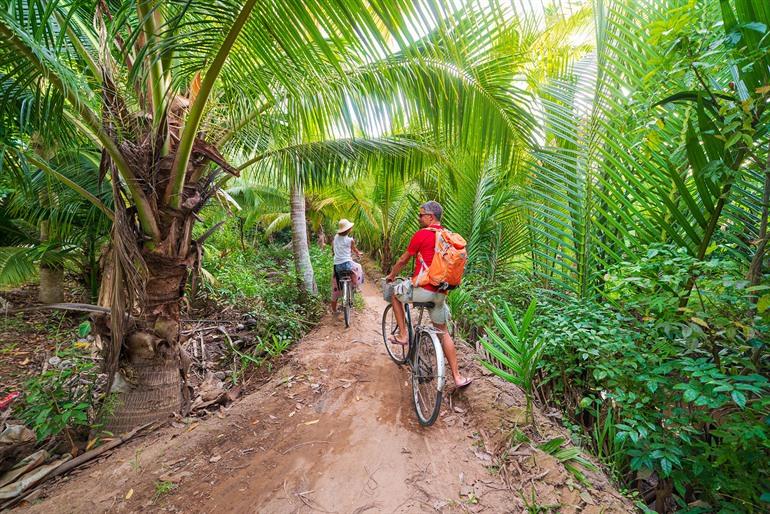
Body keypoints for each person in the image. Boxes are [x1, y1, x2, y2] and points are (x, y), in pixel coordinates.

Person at [385, 201, 472, 389]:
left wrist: (392, 276)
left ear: (430, 217)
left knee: (394, 294)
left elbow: (403, 259)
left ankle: (403, 335)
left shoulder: (422, 234)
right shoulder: (448, 236)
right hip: (442, 293)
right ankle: (457, 377)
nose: (419, 218)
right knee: (443, 332)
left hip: (424, 290)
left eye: (421, 215)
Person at [331, 218, 363, 315]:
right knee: (356, 269)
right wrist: (358, 254)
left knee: (335, 284)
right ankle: (356, 286)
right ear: (348, 230)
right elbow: (354, 250)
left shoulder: (336, 237)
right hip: (347, 263)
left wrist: (334, 253)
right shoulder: (350, 240)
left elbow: (333, 247)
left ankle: (334, 310)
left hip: (337, 265)